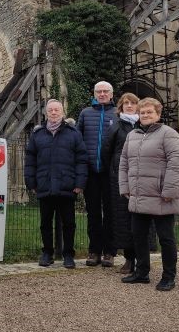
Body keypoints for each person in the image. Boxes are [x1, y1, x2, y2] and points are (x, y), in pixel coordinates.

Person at [119, 97, 179, 291]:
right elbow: (124, 163)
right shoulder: (132, 135)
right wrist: (125, 188)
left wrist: (169, 191)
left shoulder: (168, 134)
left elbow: (177, 162)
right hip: (138, 196)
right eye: (143, 112)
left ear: (158, 114)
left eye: (150, 112)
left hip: (161, 196)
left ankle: (168, 277)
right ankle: (141, 273)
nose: (146, 115)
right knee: (138, 236)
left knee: (166, 238)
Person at [25, 99, 88, 269]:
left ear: (62, 112)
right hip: (44, 184)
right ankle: (47, 253)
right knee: (45, 222)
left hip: (67, 185)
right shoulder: (37, 135)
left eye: (57, 110)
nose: (54, 113)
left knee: (69, 223)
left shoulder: (73, 133)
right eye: (51, 110)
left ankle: (68, 254)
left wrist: (79, 183)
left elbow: (81, 160)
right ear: (46, 113)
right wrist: (31, 182)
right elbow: (30, 160)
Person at [77, 81, 118, 267]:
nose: (102, 94)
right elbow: (78, 141)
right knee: (93, 213)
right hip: (91, 171)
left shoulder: (117, 114)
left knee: (111, 213)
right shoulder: (85, 113)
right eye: (98, 91)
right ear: (94, 94)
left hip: (110, 172)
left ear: (111, 94)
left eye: (105, 91)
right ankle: (94, 251)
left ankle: (109, 251)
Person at [102, 92, 140, 275]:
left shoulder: (144, 125)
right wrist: (114, 171)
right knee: (123, 219)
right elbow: (106, 151)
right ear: (121, 107)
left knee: (141, 218)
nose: (130, 106)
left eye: (133, 103)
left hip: (142, 178)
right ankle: (128, 259)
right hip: (120, 178)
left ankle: (142, 259)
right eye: (126, 103)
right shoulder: (116, 126)